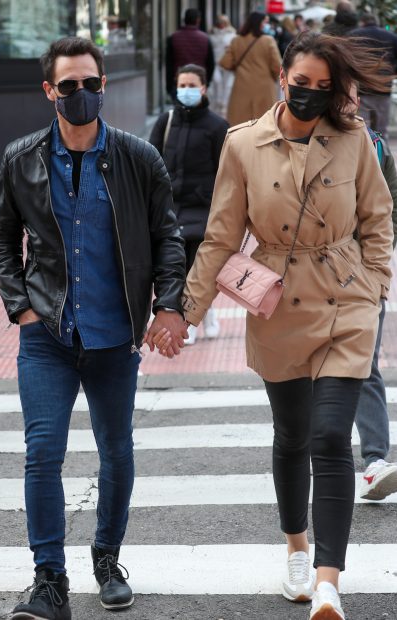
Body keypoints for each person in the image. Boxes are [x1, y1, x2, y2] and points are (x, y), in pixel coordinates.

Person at [177, 32, 393, 619]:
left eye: (325, 89)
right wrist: (186, 311)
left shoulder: (353, 142)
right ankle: (296, 549)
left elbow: (378, 220)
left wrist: (374, 288)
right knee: (293, 435)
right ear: (283, 80)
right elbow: (222, 235)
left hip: (346, 302)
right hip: (277, 303)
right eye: (303, 86)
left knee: (330, 437)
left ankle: (328, 581)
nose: (312, 97)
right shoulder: (244, 144)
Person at [0, 36, 187, 620]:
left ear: (103, 86)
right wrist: (19, 303)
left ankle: (106, 556)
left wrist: (168, 304)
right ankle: (49, 579)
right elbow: (2, 235)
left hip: (113, 336)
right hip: (45, 334)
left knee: (116, 451)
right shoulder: (21, 157)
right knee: (41, 454)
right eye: (69, 86)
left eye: (91, 84)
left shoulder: (138, 158)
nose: (82, 94)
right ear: (49, 91)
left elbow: (167, 237)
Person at [149, 64, 228, 345]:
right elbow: (151, 162)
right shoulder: (166, 121)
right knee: (173, 266)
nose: (186, 90)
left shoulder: (218, 127)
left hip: (202, 210)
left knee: (196, 268)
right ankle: (201, 315)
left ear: (203, 88)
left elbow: (226, 173)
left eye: (192, 85)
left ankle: (190, 319)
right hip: (170, 210)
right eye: (182, 85)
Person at [346, 83, 397, 501]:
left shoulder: (376, 146)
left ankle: (375, 459)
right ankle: (312, 450)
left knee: (365, 364)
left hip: (363, 277)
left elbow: (391, 205)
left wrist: (378, 266)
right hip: (308, 277)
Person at [219, 11, 281, 127]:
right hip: (264, 88)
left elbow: (225, 63)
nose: (267, 25)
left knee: (240, 125)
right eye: (265, 22)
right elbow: (277, 66)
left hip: (241, 87)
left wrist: (237, 69)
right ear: (259, 23)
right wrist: (273, 78)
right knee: (264, 124)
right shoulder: (268, 41)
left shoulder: (236, 40)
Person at [350, 13, 397, 140]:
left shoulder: (354, 35)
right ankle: (384, 156)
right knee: (382, 128)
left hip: (363, 86)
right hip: (384, 86)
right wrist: (392, 72)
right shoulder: (391, 37)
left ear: (362, 22)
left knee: (364, 126)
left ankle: (367, 154)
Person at [165, 8, 215, 99]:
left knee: (180, 110)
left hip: (179, 82)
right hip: (198, 81)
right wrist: (206, 82)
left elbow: (169, 64)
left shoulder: (174, 38)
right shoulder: (205, 39)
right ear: (198, 20)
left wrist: (169, 86)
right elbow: (210, 63)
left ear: (184, 20)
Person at [209, 14, 236, 117]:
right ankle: (218, 102)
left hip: (227, 64)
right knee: (217, 81)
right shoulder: (211, 34)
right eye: (220, 22)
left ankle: (223, 105)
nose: (222, 25)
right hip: (215, 63)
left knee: (226, 85)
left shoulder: (232, 34)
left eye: (224, 22)